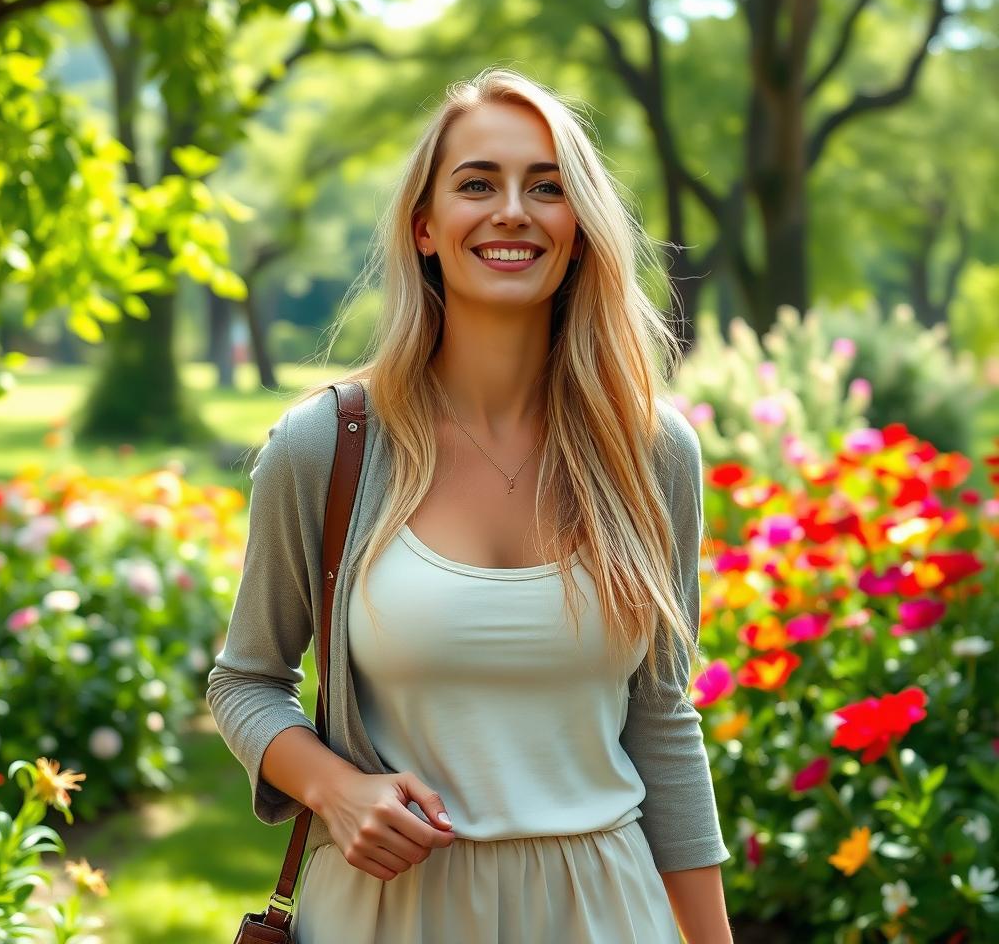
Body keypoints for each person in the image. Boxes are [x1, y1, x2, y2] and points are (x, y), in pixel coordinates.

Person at [207, 67, 733, 943]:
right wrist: (337, 790)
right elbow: (247, 680)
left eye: (548, 187)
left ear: (580, 231)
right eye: (477, 183)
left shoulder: (652, 453)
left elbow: (663, 714)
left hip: (605, 913)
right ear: (424, 226)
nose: (513, 211)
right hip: (386, 916)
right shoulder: (325, 447)